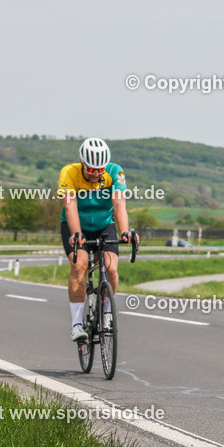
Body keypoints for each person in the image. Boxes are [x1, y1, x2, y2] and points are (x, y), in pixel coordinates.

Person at [58, 138, 139, 342]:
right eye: (92, 170)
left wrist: (125, 231)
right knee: (79, 266)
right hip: (76, 225)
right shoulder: (69, 172)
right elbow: (70, 206)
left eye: (100, 170)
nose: (96, 174)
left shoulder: (115, 172)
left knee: (111, 268)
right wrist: (77, 234)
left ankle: (108, 313)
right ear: (82, 163)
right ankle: (77, 325)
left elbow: (119, 204)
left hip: (104, 225)